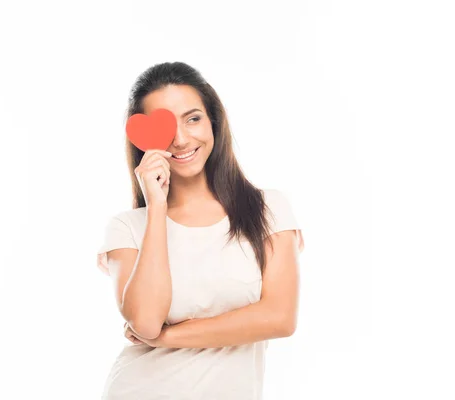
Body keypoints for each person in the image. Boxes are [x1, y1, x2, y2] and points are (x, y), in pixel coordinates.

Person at [96, 61, 305, 400]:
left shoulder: (267, 209)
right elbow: (146, 322)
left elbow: (280, 318)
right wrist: (157, 206)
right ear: (143, 141)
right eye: (164, 128)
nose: (180, 140)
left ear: (214, 123)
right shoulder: (128, 227)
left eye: (192, 118)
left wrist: (167, 338)